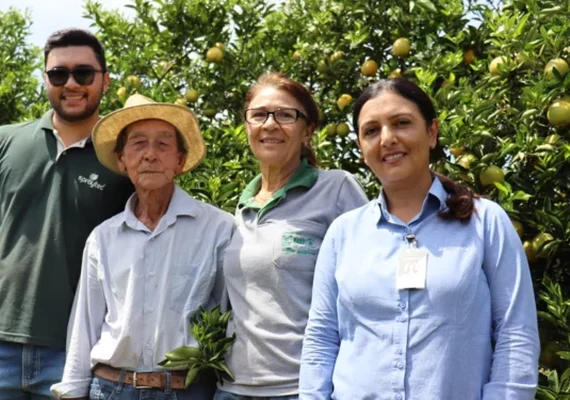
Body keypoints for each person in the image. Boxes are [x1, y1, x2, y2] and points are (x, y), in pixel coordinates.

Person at [299, 78, 540, 399]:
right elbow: (321, 338)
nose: (387, 138)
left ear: (431, 132)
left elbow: (516, 333)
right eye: (371, 130)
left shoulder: (486, 223)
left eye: (401, 123)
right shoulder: (343, 233)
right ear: (360, 147)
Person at [50, 93, 235, 400]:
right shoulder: (103, 237)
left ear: (179, 160)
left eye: (163, 144)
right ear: (122, 160)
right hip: (111, 389)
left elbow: (230, 319)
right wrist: (72, 390)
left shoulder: (219, 228)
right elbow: (86, 321)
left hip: (188, 391)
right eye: (138, 143)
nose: (150, 155)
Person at [215, 72, 368, 400]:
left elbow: (370, 289)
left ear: (308, 129)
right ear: (246, 126)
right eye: (258, 115)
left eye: (285, 115)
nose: (269, 124)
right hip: (232, 390)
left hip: (304, 389)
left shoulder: (336, 189)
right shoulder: (238, 210)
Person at [0, 28, 134, 399]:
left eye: (83, 74)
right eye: (59, 74)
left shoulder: (126, 158)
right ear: (45, 79)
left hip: (78, 352)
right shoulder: (6, 141)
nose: (71, 83)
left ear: (105, 81)